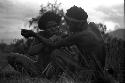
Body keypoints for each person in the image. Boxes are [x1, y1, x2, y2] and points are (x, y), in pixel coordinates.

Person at [26, 5, 106, 81]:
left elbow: (53, 44)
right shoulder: (92, 26)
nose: (68, 26)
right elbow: (31, 52)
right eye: (49, 27)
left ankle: (45, 79)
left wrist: (34, 34)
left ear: (77, 23)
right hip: (99, 71)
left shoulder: (80, 35)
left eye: (69, 23)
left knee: (56, 53)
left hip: (90, 74)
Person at [6, 11, 63, 77]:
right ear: (45, 29)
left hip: (53, 72)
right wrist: (48, 41)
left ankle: (46, 77)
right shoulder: (41, 35)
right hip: (37, 68)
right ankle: (28, 75)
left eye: (55, 25)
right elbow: (31, 52)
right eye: (50, 27)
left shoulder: (62, 36)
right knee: (11, 56)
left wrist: (52, 39)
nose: (53, 28)